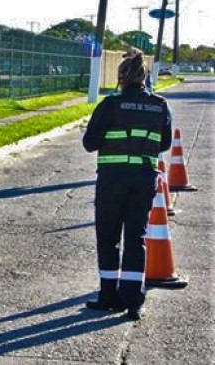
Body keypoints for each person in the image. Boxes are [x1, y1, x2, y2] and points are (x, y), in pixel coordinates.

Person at [82, 48, 172, 321]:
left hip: (113, 180)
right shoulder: (160, 105)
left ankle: (109, 296)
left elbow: (90, 144)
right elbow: (165, 144)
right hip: (144, 178)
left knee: (108, 238)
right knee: (136, 238)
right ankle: (134, 301)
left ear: (121, 76)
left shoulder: (111, 104)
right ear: (144, 77)